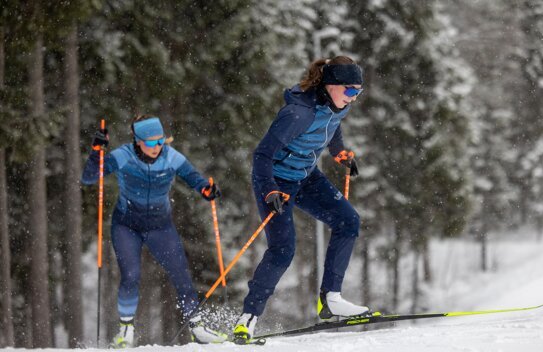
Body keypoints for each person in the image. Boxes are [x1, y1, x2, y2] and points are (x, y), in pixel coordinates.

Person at [233, 56, 368, 343]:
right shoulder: (297, 114)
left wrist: (339, 152)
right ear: (330, 85)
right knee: (283, 250)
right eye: (350, 90)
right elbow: (262, 155)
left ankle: (330, 298)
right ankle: (248, 317)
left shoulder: (337, 104)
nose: (354, 97)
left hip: (306, 177)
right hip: (276, 181)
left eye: (358, 91)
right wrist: (269, 189)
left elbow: (333, 125)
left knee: (348, 221)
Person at [81, 115, 226, 347]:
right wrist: (97, 151)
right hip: (126, 225)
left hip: (160, 226)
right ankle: (126, 329)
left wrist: (206, 190)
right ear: (138, 141)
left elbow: (194, 179)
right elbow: (89, 177)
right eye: (150, 143)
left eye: (160, 141)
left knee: (181, 274)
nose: (157, 147)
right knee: (131, 276)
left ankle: (197, 327)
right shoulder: (123, 156)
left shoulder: (172, 157)